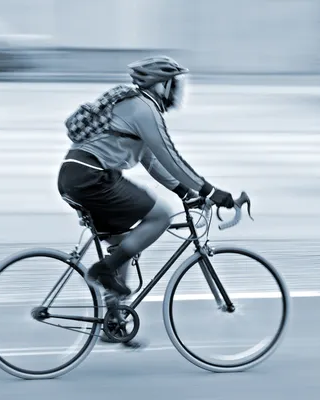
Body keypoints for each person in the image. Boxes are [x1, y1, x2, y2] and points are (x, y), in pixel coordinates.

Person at [57, 55, 236, 309]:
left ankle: (114, 320)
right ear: (160, 85)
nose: (178, 91)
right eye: (175, 84)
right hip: (92, 176)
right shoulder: (144, 109)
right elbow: (171, 157)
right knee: (160, 216)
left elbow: (151, 161)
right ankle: (102, 270)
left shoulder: (133, 106)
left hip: (75, 176)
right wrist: (211, 191)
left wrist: (185, 192)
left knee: (124, 246)